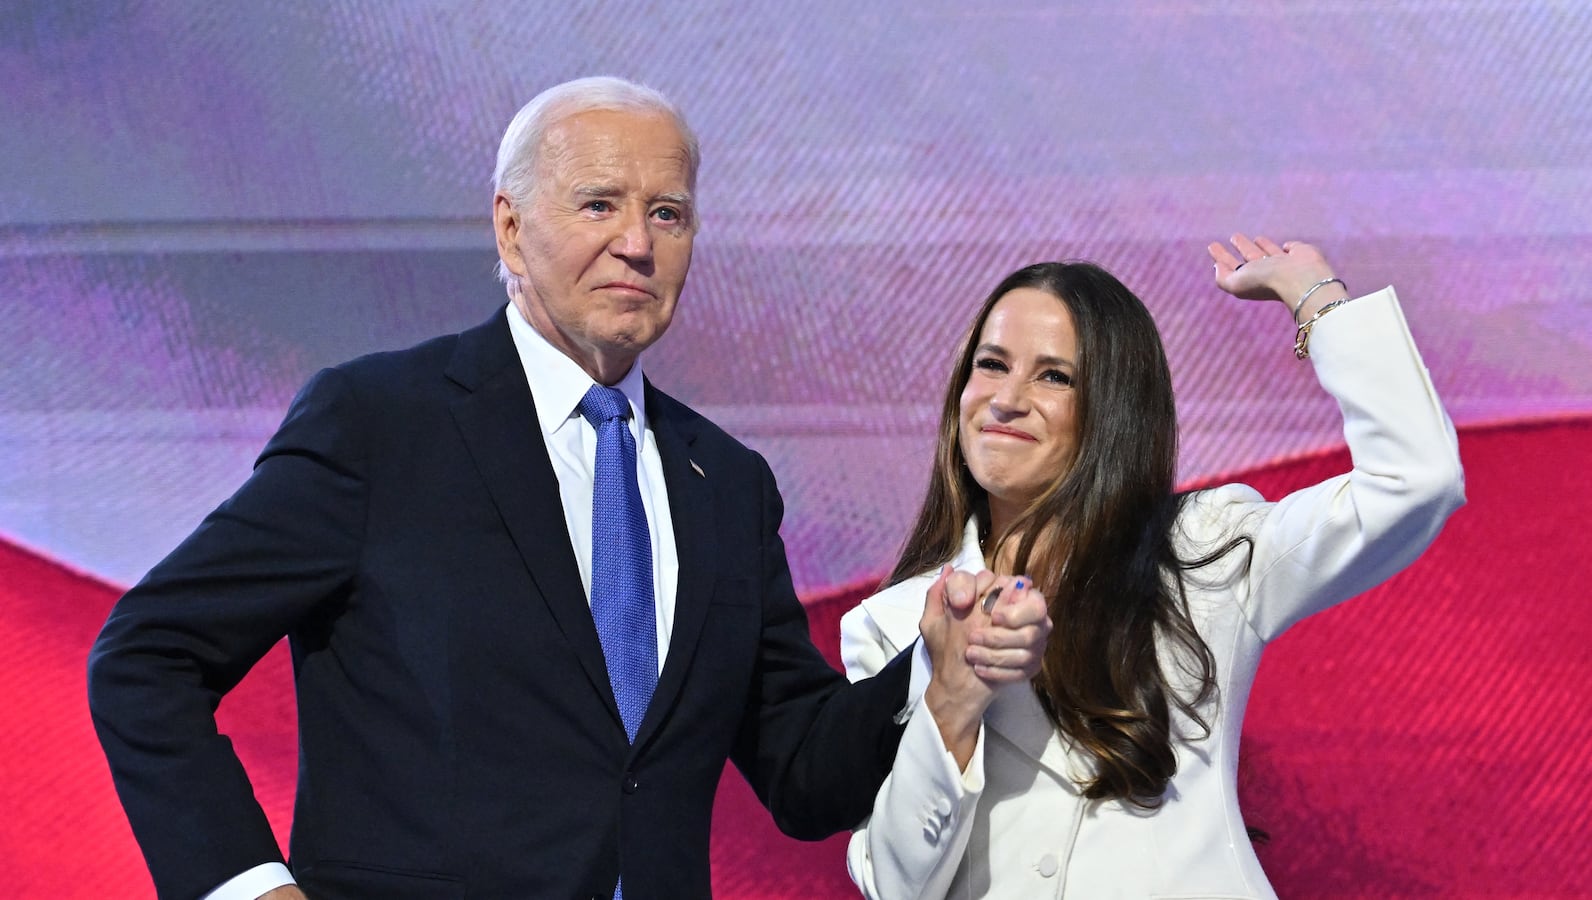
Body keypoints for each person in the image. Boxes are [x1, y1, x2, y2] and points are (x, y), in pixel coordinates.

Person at [86, 77, 1050, 900]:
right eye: (599, 205)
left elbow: (800, 771)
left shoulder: (727, 483)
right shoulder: (381, 424)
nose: (638, 243)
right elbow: (146, 656)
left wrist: (936, 674)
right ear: (511, 228)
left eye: (667, 214)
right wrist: (249, 887)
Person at [839, 235, 1466, 898]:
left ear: (1116, 410)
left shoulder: (1203, 549)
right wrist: (951, 701)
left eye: (1054, 376)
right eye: (992, 365)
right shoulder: (891, 624)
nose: (1006, 399)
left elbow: (1415, 481)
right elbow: (895, 883)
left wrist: (1315, 295)